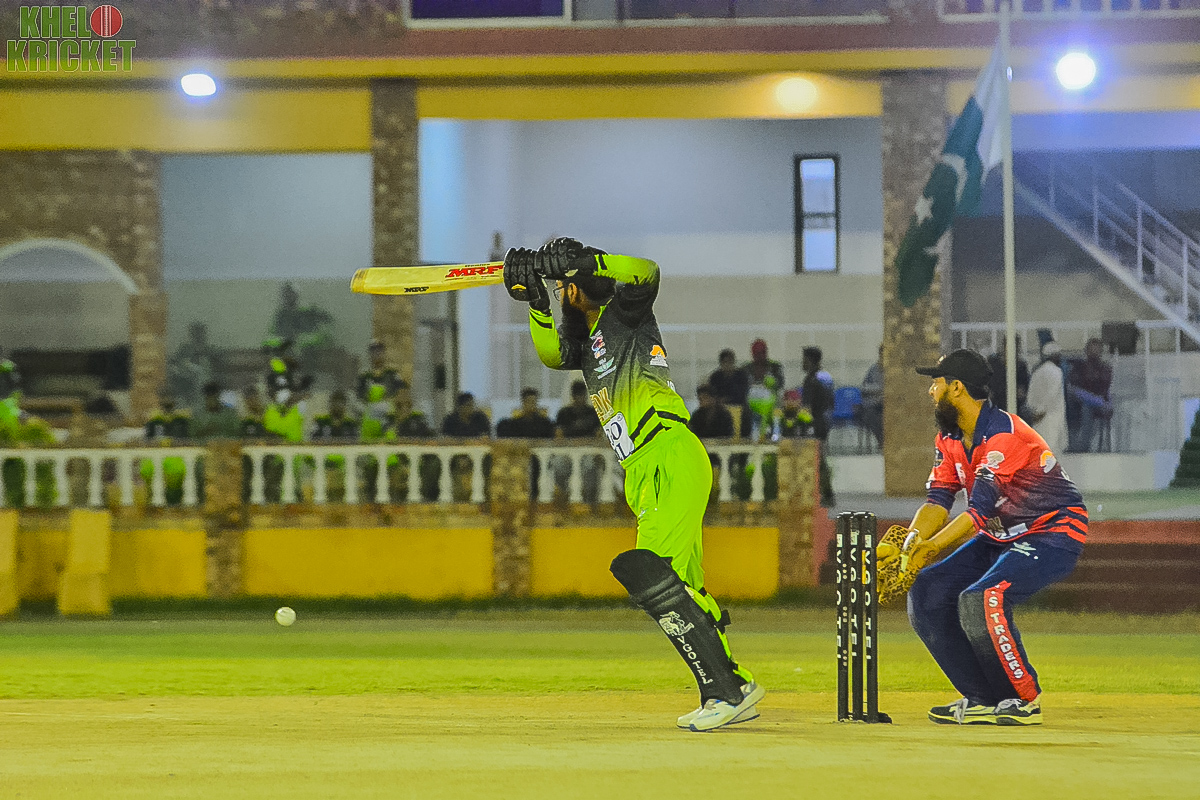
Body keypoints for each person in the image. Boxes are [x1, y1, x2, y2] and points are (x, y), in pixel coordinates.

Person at [503, 237, 762, 732]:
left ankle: (725, 692)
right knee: (678, 587)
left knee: (655, 578)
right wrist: (535, 304)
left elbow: (646, 271)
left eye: (559, 291)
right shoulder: (586, 344)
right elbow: (553, 355)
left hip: (667, 450)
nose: (559, 298)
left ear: (575, 290)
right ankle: (734, 684)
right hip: (646, 468)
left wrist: (589, 262)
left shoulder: (625, 316)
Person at [882, 349, 1086, 726]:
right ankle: (981, 698)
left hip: (1052, 532)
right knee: (926, 591)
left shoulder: (1003, 435)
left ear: (957, 388)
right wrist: (910, 543)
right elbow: (938, 500)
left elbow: (977, 513)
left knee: (983, 596)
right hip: (1002, 535)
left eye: (936, 383)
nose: (931, 391)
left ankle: (1022, 700)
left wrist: (933, 546)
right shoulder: (950, 438)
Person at [496, 387, 557, 499]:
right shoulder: (515, 423)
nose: (532, 405)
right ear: (523, 403)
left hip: (541, 457)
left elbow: (551, 438)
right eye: (529, 401)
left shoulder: (545, 423)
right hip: (520, 457)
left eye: (534, 402)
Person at [552, 379, 604, 503]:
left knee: (589, 466)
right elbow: (558, 435)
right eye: (577, 395)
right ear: (573, 396)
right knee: (558, 464)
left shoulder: (593, 413)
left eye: (582, 395)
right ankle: (564, 496)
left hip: (588, 452)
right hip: (567, 452)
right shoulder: (564, 413)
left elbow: (598, 435)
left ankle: (588, 500)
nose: (580, 398)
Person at [441, 392, 491, 502]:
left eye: (472, 405)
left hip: (477, 454)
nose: (470, 408)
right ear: (460, 407)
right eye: (467, 405)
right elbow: (446, 440)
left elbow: (485, 439)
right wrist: (460, 454)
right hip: (455, 455)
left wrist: (470, 455)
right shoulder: (450, 420)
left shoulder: (480, 418)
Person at [801, 346, 835, 506]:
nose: (802, 363)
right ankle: (826, 493)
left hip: (815, 423)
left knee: (818, 459)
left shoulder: (811, 380)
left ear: (810, 360)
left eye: (804, 359)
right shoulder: (825, 377)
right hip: (824, 421)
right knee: (821, 458)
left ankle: (826, 493)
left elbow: (807, 407)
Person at [1067, 338, 1113, 453]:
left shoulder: (1105, 368)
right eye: (1092, 349)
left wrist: (1106, 403)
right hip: (1080, 403)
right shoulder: (1079, 367)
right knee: (1086, 407)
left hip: (1100, 404)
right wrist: (1095, 400)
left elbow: (1107, 389)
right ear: (1086, 351)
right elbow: (1074, 389)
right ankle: (1081, 447)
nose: (1095, 352)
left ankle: (1095, 447)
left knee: (1096, 408)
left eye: (1097, 349)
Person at [1025, 342, 1067, 456]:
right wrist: (1041, 411)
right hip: (1051, 417)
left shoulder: (1037, 372)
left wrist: (1035, 412)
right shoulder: (1056, 372)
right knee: (1052, 452)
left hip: (1038, 419)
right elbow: (1052, 395)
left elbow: (1030, 397)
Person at [357, 339, 404, 433]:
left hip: (388, 419)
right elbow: (358, 397)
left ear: (384, 353)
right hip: (369, 421)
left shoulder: (393, 374)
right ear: (369, 354)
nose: (377, 354)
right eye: (373, 351)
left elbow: (402, 394)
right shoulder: (364, 376)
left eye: (379, 350)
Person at [744, 339, 783, 440]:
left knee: (773, 434)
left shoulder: (775, 367)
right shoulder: (746, 369)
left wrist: (769, 381)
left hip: (771, 407)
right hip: (752, 408)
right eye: (757, 353)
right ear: (753, 354)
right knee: (754, 435)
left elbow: (780, 384)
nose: (760, 356)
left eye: (762, 352)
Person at [707, 349, 750, 436]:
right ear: (721, 363)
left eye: (730, 361)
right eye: (725, 362)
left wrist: (727, 399)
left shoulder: (741, 375)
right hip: (720, 407)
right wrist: (719, 401)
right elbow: (712, 393)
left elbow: (743, 393)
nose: (728, 365)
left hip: (739, 406)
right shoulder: (715, 377)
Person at [987, 335, 1030, 416]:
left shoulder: (1021, 366)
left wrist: (1021, 392)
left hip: (1014, 406)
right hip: (995, 404)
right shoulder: (993, 362)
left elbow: (1024, 386)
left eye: (1015, 345)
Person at [860, 345, 884, 447]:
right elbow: (864, 386)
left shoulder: (895, 369)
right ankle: (881, 440)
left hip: (888, 402)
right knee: (870, 414)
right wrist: (878, 389)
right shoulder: (874, 369)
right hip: (874, 402)